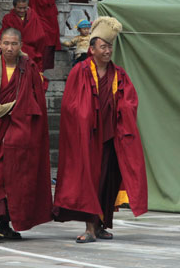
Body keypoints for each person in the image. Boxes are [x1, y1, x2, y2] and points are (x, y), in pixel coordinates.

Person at [53, 16, 148, 243]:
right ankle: (89, 228)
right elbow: (70, 105)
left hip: (110, 137)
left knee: (107, 181)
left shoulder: (119, 74)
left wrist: (122, 109)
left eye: (110, 47)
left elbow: (130, 100)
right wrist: (85, 119)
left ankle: (101, 224)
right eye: (103, 47)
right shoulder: (81, 71)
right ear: (92, 49)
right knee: (89, 181)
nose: (108, 51)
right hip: (87, 137)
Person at [0, 28, 53, 240]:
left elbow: (36, 105)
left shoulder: (29, 68)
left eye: (13, 44)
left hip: (18, 133)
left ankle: (4, 224)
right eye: (5, 43)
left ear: (21, 45)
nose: (9, 48)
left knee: (14, 178)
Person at [22, 0, 61, 71]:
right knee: (40, 43)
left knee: (49, 45)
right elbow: (29, 2)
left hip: (49, 19)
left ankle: (41, 72)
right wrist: (32, 20)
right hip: (38, 19)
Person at [0, 0, 46, 70]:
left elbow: (40, 35)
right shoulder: (8, 18)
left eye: (24, 8)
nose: (22, 10)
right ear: (14, 7)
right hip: (14, 51)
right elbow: (3, 35)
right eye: (19, 8)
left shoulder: (33, 16)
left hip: (31, 52)